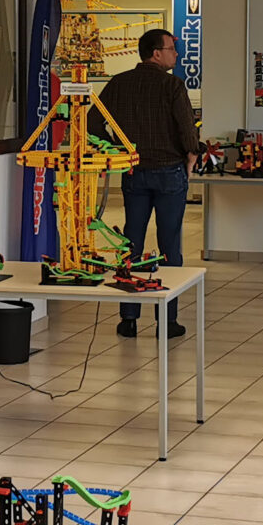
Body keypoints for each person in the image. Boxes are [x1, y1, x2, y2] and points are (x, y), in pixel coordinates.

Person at [91, 29, 197, 338]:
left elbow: (93, 122)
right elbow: (187, 129)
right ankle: (168, 320)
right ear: (155, 53)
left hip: (133, 171)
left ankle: (128, 319)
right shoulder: (173, 85)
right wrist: (191, 155)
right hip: (169, 172)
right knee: (169, 248)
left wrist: (116, 148)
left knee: (131, 243)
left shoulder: (119, 83)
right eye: (171, 49)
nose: (175, 54)